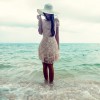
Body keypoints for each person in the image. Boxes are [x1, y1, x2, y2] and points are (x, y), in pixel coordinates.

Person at [37, 3, 60, 84]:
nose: (48, 14)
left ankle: (51, 85)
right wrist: (39, 21)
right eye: (46, 12)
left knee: (50, 65)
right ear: (44, 12)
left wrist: (58, 47)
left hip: (52, 45)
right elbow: (40, 32)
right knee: (44, 65)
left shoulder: (56, 21)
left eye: (49, 12)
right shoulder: (42, 21)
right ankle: (45, 83)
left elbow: (57, 35)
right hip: (43, 45)